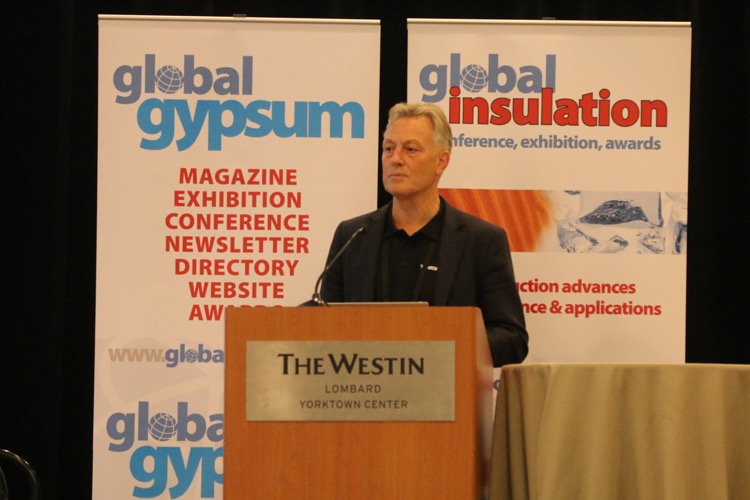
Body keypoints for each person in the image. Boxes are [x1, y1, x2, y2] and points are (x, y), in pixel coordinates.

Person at [319, 102, 528, 367]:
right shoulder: (353, 236)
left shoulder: (481, 241)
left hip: (447, 389)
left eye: (410, 149)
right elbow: (321, 324)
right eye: (388, 148)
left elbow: (512, 339)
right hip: (362, 389)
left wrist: (443, 346)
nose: (395, 158)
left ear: (441, 161)